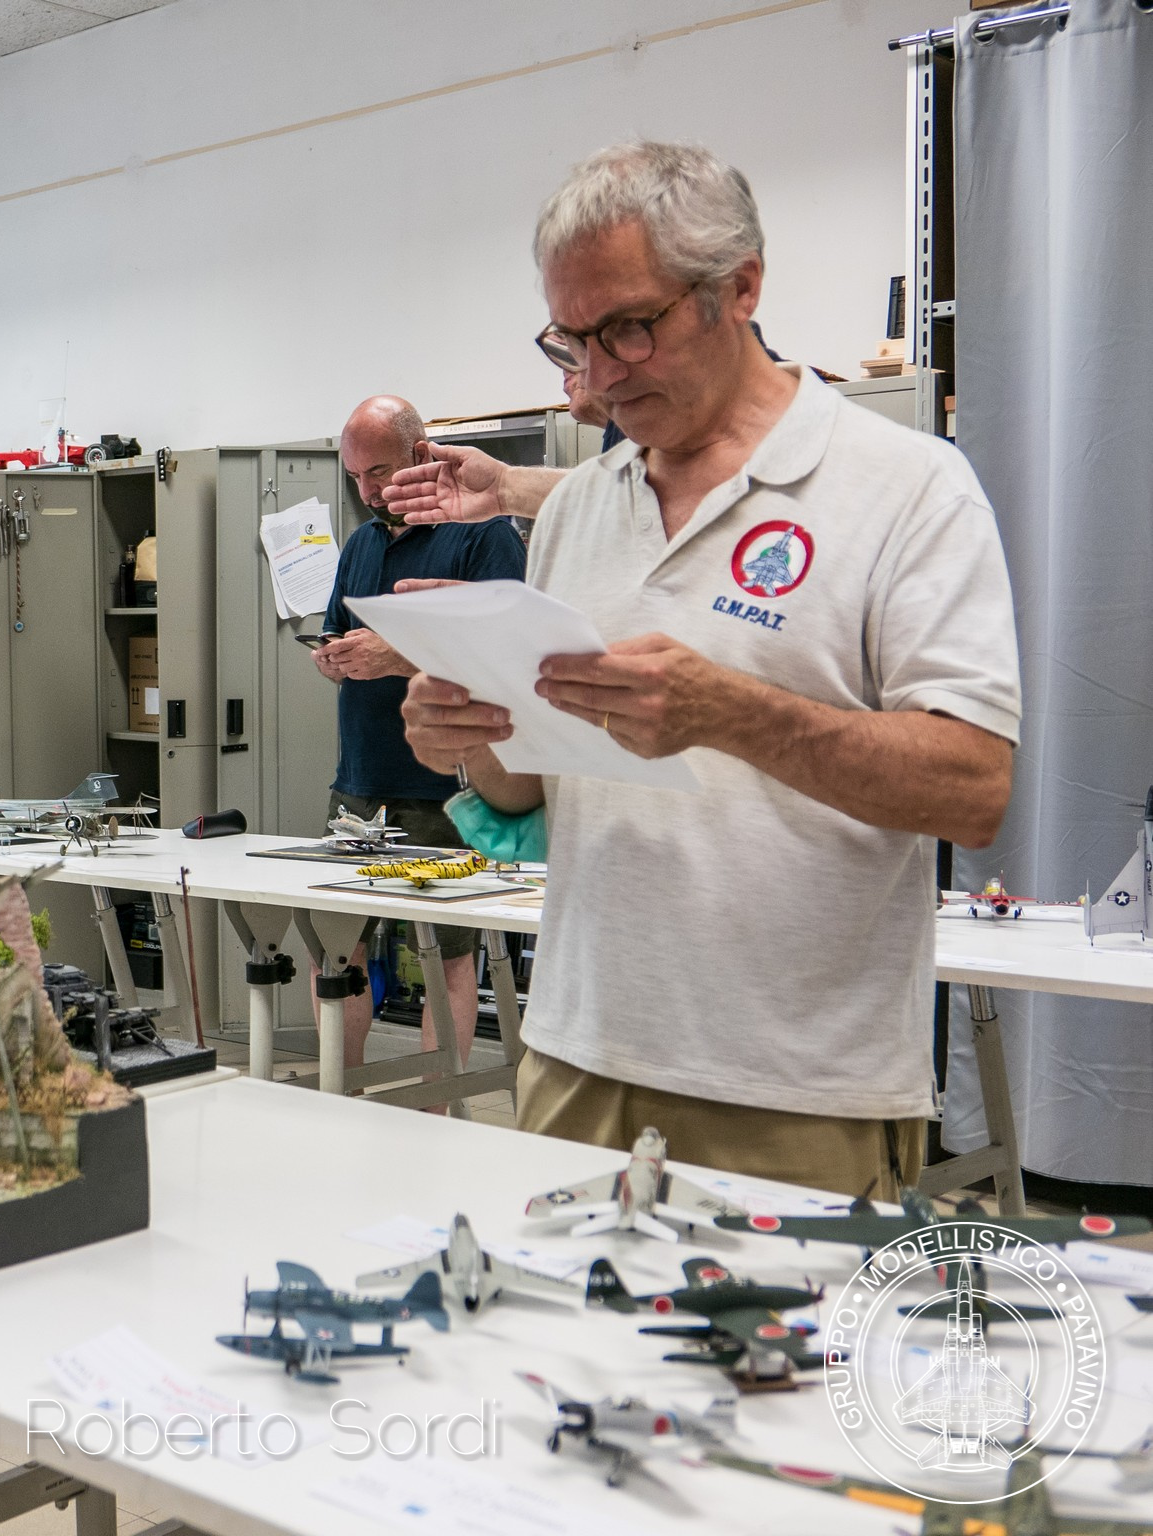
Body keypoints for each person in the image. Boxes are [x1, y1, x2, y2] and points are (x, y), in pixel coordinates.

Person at [398, 142, 1019, 1197]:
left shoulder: (906, 488)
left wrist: (731, 713)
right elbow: (533, 794)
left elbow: (972, 788)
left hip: (795, 1090)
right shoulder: (578, 510)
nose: (596, 376)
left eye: (627, 329)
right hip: (575, 1058)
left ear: (739, 288)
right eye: (570, 340)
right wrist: (470, 741)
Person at [313, 396, 526, 1071]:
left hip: (447, 787)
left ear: (421, 454)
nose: (368, 492)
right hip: (358, 781)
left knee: (445, 957)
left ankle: (437, 1110)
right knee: (335, 950)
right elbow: (338, 632)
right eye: (354, 477)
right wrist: (334, 659)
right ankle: (340, 1093)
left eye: (378, 472)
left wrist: (397, 656)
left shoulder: (483, 535)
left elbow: (509, 653)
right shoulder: (361, 543)